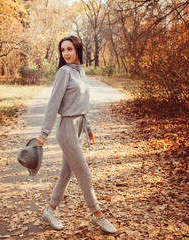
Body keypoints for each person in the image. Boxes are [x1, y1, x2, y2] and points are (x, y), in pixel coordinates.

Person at [36, 36, 117, 234]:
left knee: (67, 172)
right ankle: (97, 214)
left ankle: (50, 210)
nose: (66, 53)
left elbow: (81, 105)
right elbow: (53, 104)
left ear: (78, 50)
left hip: (78, 127)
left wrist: (88, 128)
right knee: (84, 173)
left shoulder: (80, 71)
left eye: (69, 49)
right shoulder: (64, 72)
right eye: (63, 50)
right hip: (66, 129)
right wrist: (43, 133)